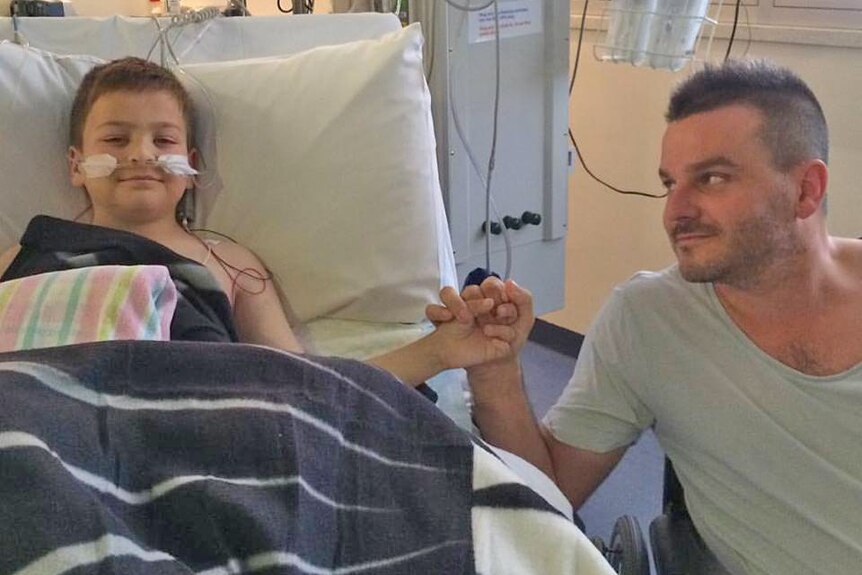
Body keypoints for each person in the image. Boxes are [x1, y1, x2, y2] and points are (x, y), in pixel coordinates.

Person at [430, 59, 862, 575]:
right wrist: (496, 373)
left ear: (806, 190)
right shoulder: (648, 321)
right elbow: (551, 490)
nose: (675, 211)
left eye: (713, 178)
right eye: (668, 183)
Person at [0, 57, 517, 388]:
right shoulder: (23, 258)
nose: (141, 154)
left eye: (164, 141)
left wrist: (437, 351)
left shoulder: (230, 266)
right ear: (75, 164)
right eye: (115, 140)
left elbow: (301, 381)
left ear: (192, 166)